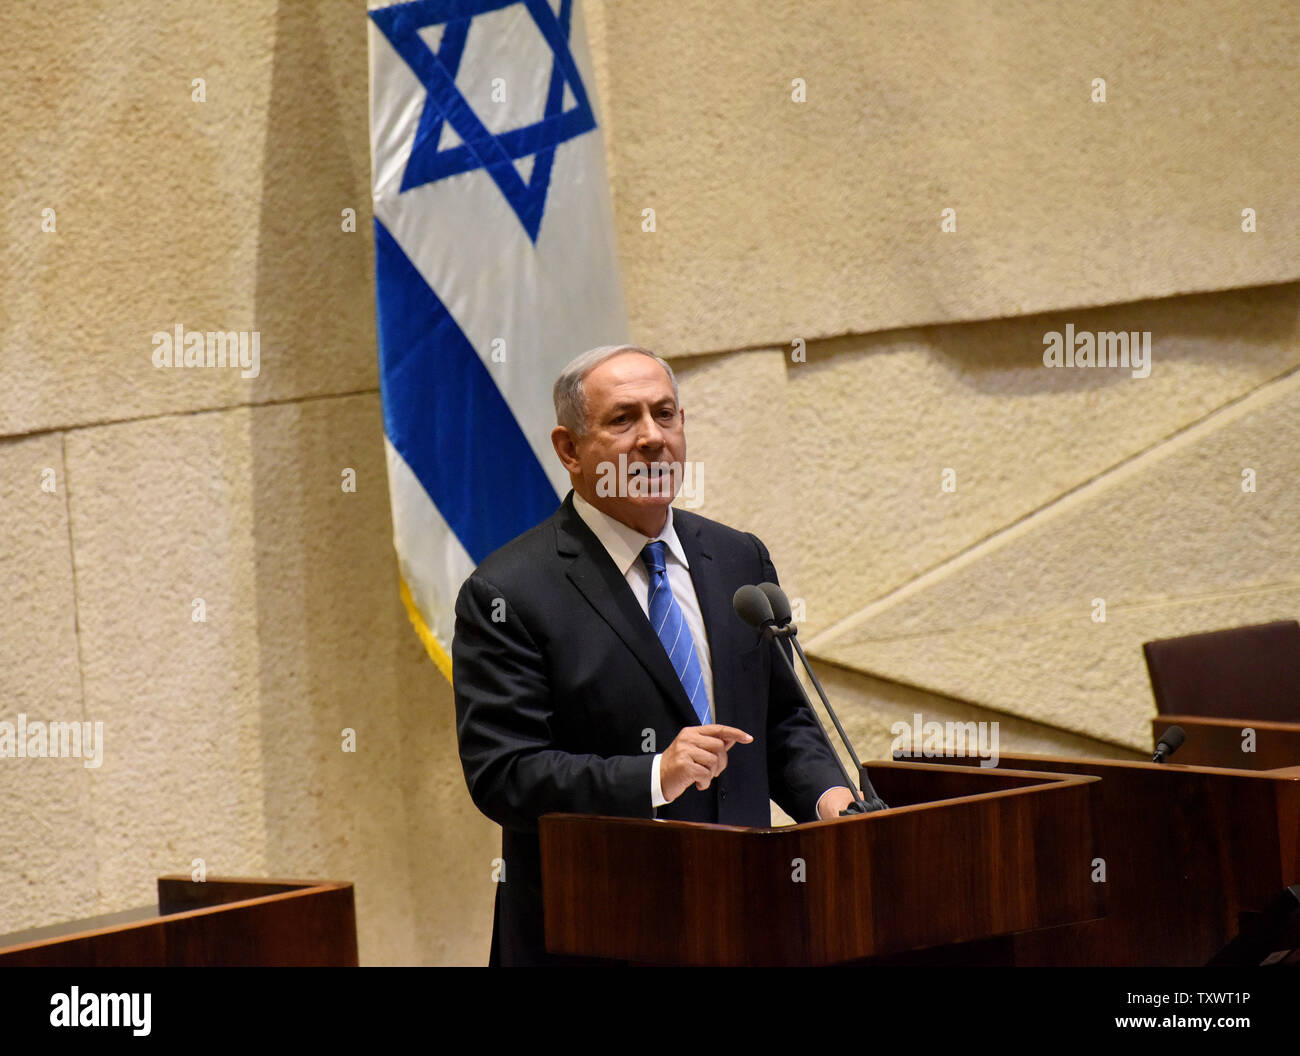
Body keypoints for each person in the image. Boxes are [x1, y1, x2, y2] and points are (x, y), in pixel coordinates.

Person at [452, 344, 855, 966]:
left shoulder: (738, 559)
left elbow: (780, 719)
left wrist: (829, 796)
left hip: (750, 918)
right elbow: (505, 775)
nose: (651, 438)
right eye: (623, 419)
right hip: (597, 931)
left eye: (665, 415)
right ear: (568, 449)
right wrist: (652, 776)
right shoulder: (509, 591)